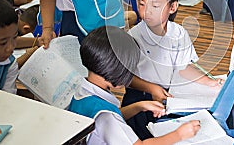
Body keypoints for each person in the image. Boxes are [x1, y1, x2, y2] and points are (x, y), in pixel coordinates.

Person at [123, 0, 222, 139]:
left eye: (154, 6)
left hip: (169, 97)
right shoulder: (134, 37)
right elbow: (125, 77)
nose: (146, 11)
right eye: (141, 4)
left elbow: (184, 67)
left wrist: (209, 82)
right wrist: (152, 88)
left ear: (172, 7)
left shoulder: (178, 33)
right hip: (139, 101)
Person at [68, 26, 201, 145]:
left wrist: (139, 106)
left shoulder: (83, 90)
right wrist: (179, 135)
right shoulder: (106, 117)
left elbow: (112, 118)